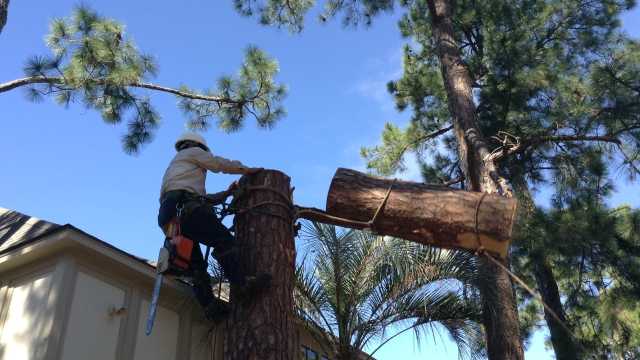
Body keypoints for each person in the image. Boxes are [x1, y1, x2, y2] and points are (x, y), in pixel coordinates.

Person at [158, 132, 271, 323]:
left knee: (196, 268)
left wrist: (226, 194)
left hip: (170, 215)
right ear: (193, 144)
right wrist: (245, 170)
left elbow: (200, 199)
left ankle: (213, 310)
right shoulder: (192, 152)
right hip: (183, 208)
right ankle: (240, 282)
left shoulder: (175, 169)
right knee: (223, 238)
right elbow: (218, 163)